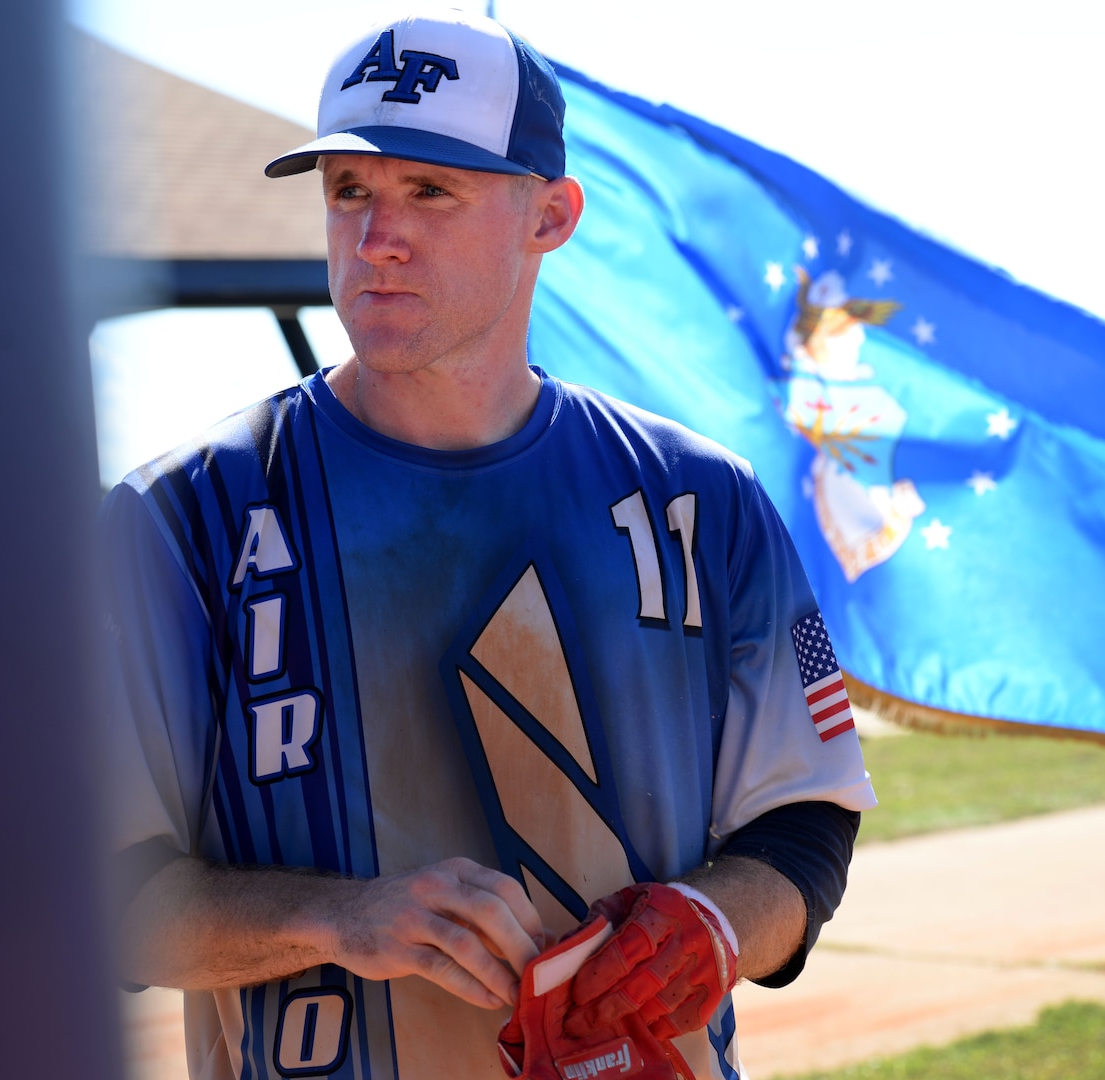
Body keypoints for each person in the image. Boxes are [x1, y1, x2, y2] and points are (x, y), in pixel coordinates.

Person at [100, 10, 876, 1080]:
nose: (377, 239)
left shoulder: (705, 499)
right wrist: (342, 920)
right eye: (350, 192)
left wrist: (711, 925)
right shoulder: (179, 519)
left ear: (550, 216)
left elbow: (804, 826)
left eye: (432, 191)